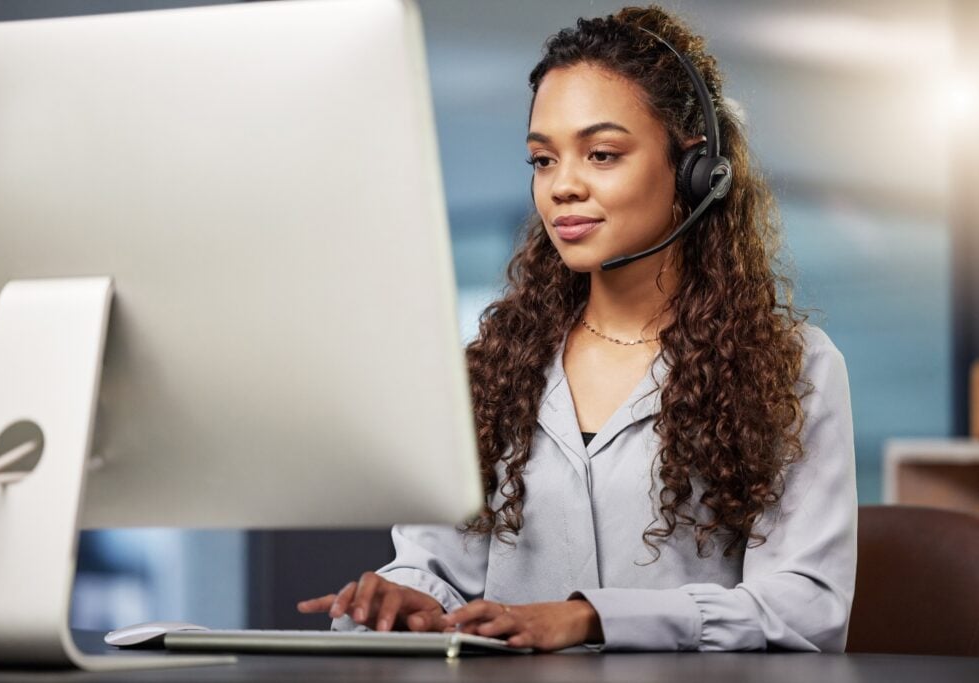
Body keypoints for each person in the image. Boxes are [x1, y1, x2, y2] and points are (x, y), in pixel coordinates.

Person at [298, 5, 856, 652]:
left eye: (602, 153)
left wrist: (593, 617)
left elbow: (806, 605)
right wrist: (407, 598)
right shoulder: (491, 368)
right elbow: (437, 568)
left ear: (694, 168)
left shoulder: (792, 369)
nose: (562, 185)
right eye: (543, 159)